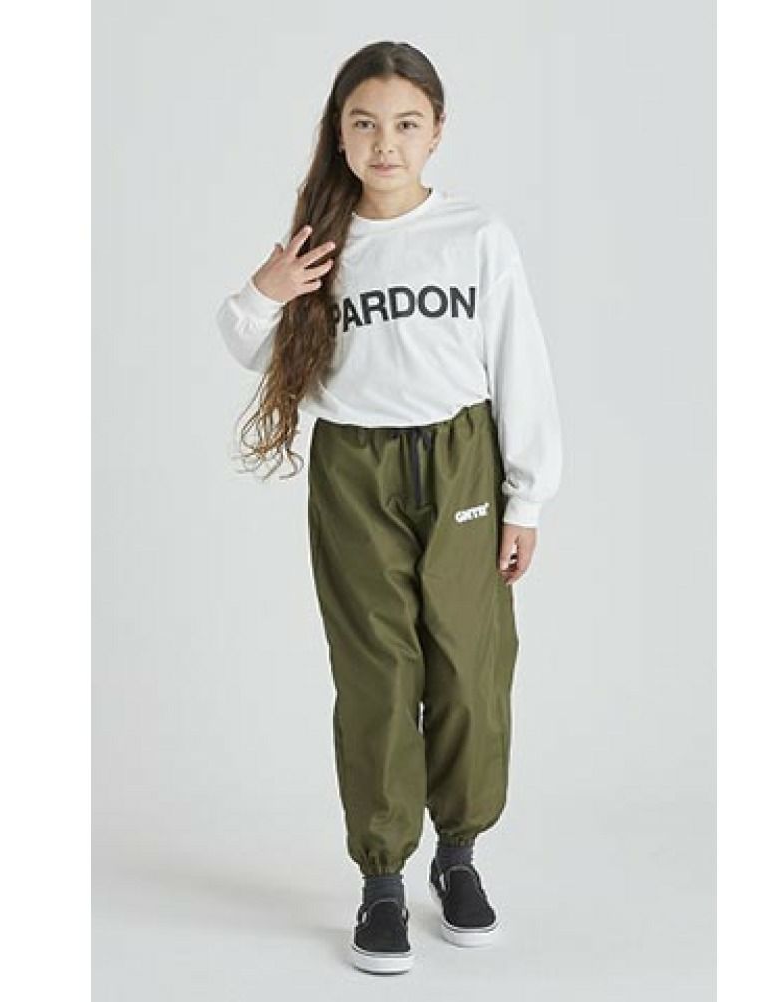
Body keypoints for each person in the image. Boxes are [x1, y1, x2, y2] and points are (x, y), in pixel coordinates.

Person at [215, 40, 562, 975]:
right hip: (355, 470)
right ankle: (381, 878)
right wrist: (265, 291)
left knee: (470, 667)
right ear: (339, 132)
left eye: (406, 124)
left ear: (437, 130)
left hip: (460, 462)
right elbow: (251, 345)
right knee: (377, 674)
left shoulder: (476, 234)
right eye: (364, 123)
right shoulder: (322, 243)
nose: (385, 143)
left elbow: (519, 362)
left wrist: (526, 496)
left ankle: (459, 855)